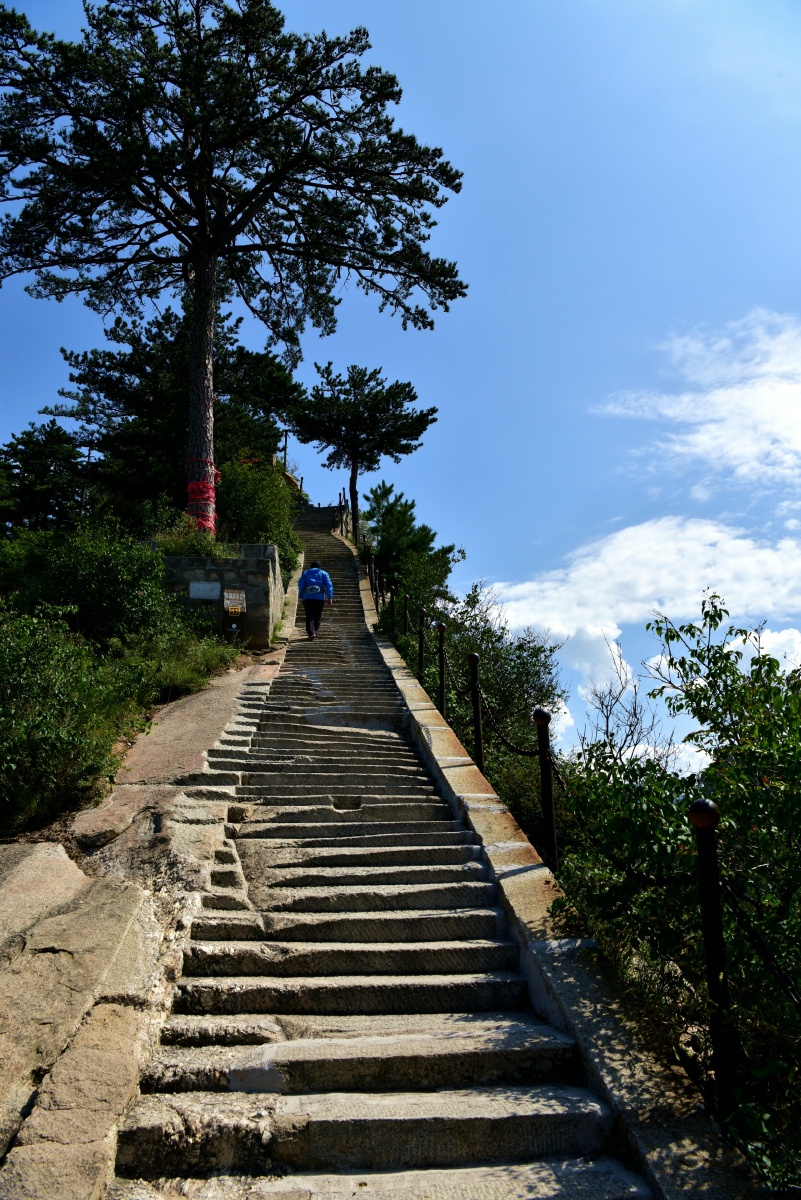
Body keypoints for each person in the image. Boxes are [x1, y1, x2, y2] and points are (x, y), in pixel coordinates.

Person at [298, 560, 333, 639]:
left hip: (308, 598)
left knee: (309, 615)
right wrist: (330, 597)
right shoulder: (324, 573)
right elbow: (329, 585)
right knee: (317, 615)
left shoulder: (305, 573)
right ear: (320, 567)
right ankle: (315, 631)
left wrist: (301, 596)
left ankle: (311, 633)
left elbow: (301, 585)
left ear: (311, 567)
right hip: (319, 598)